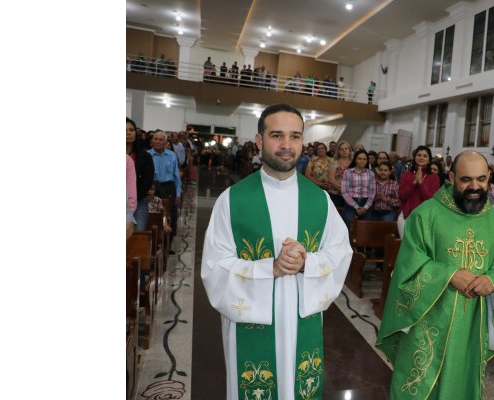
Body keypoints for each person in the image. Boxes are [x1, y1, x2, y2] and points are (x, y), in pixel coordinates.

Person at [201, 103, 352, 400]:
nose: (286, 145)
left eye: (295, 136)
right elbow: (214, 266)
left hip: (302, 320)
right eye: (277, 135)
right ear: (260, 141)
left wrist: (307, 262)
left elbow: (340, 253)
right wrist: (269, 268)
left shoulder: (319, 200)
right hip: (251, 324)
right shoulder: (232, 200)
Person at [376, 151, 494, 400]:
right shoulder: (426, 215)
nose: (475, 187)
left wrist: (492, 280)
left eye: (482, 179)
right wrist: (449, 274)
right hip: (430, 320)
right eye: (466, 180)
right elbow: (408, 266)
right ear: (451, 177)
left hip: (473, 323)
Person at [397, 145, 441, 237]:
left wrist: (421, 183)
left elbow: (432, 200)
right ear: (414, 157)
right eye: (419, 155)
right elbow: (401, 196)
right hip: (406, 215)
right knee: (405, 246)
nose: (421, 157)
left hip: (425, 217)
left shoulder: (434, 177)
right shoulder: (406, 174)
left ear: (429, 160)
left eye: (425, 156)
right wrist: (413, 183)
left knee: (420, 248)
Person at [149, 131, 182, 248]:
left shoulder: (171, 155)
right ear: (152, 141)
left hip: (169, 187)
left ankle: (168, 245)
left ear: (165, 142)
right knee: (155, 216)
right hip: (153, 188)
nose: (157, 142)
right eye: (155, 139)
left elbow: (176, 176)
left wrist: (178, 194)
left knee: (171, 216)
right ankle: (155, 244)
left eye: (160, 140)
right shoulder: (147, 155)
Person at [127, 117, 155, 231]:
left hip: (139, 200)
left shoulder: (145, 156)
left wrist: (132, 199)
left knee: (138, 231)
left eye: (131, 130)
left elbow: (147, 181)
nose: (128, 133)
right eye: (124, 130)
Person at [341, 149, 376, 228]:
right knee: (349, 225)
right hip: (351, 204)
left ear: (367, 161)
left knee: (365, 229)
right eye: (359, 158)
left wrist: (365, 207)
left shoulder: (371, 173)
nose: (362, 161)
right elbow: (344, 192)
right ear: (355, 160)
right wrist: (356, 207)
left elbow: (372, 192)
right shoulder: (348, 172)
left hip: (366, 204)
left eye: (364, 159)